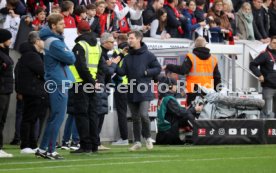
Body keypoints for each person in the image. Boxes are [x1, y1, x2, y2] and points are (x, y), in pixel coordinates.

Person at [69, 21, 119, 154]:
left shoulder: (80, 45)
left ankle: (85, 145)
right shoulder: (97, 47)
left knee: (82, 115)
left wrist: (91, 81)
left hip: (82, 84)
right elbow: (101, 67)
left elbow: (81, 67)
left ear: (78, 32)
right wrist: (96, 81)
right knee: (92, 114)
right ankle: (94, 145)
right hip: (93, 84)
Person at [35, 13, 76, 160]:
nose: (64, 26)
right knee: (57, 118)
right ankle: (50, 150)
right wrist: (65, 48)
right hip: (58, 82)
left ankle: (43, 148)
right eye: (61, 24)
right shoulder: (55, 42)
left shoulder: (52, 39)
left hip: (57, 80)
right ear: (53, 26)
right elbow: (71, 58)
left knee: (55, 117)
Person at [116, 30, 161, 151]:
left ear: (138, 39)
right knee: (135, 117)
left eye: (131, 38)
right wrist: (114, 65)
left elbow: (158, 68)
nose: (129, 41)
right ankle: (137, 142)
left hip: (144, 89)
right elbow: (122, 72)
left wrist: (147, 72)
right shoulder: (127, 57)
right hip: (131, 89)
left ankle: (147, 138)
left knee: (143, 115)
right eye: (128, 38)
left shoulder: (149, 55)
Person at [16, 31, 48, 154]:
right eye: (42, 40)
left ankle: (32, 144)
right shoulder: (32, 55)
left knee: (33, 119)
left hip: (34, 90)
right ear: (36, 41)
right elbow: (43, 72)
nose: (44, 42)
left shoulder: (34, 55)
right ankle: (25, 145)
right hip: (33, 90)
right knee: (29, 118)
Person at [164, 37, 222, 106]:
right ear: (205, 45)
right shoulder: (213, 59)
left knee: (191, 114)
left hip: (193, 92)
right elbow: (217, 77)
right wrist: (217, 91)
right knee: (206, 114)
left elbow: (183, 70)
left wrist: (168, 66)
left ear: (195, 46)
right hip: (208, 92)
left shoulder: (191, 57)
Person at [156, 77, 203, 145]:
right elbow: (181, 113)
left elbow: (177, 111)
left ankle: (197, 134)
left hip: (164, 131)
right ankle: (201, 134)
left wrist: (189, 109)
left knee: (187, 113)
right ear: (170, 86)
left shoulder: (164, 97)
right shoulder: (169, 99)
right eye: (176, 85)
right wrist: (195, 109)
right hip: (169, 131)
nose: (177, 87)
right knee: (187, 115)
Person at [250, 36, 276, 118]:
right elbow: (252, 65)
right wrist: (259, 74)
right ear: (270, 42)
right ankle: (264, 129)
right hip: (268, 86)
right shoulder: (264, 54)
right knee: (267, 111)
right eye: (274, 43)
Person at [111, 34, 129, 146]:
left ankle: (124, 138)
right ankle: (141, 137)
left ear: (119, 40)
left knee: (122, 113)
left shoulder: (117, 52)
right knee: (136, 113)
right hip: (133, 86)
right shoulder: (132, 51)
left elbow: (113, 68)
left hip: (121, 85)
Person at [0, 28, 14, 158]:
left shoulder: (5, 53)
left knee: (2, 119)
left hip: (6, 90)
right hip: (2, 90)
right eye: (8, 38)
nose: (10, 41)